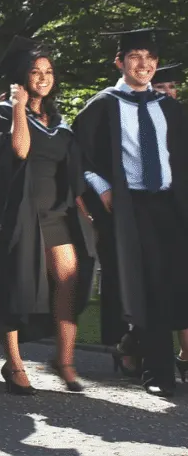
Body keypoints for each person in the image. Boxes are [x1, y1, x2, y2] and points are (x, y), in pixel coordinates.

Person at [75, 30, 188, 396]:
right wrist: (102, 188)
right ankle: (159, 373)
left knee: (175, 282)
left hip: (171, 205)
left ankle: (130, 346)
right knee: (151, 285)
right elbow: (79, 157)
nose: (144, 64)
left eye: (150, 58)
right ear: (120, 62)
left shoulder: (168, 107)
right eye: (136, 57)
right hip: (130, 207)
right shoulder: (103, 105)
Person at [0, 37, 94, 395]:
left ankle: (65, 360)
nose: (43, 77)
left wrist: (87, 213)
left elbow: (72, 172)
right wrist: (18, 106)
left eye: (48, 72)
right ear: (21, 76)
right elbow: (20, 151)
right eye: (35, 71)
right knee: (18, 286)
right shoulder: (1, 114)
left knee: (68, 281)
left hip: (56, 213)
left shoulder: (59, 122)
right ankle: (13, 363)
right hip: (19, 214)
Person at [151, 61, 188, 382]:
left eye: (171, 87)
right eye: (160, 87)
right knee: (166, 285)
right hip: (158, 212)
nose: (167, 92)